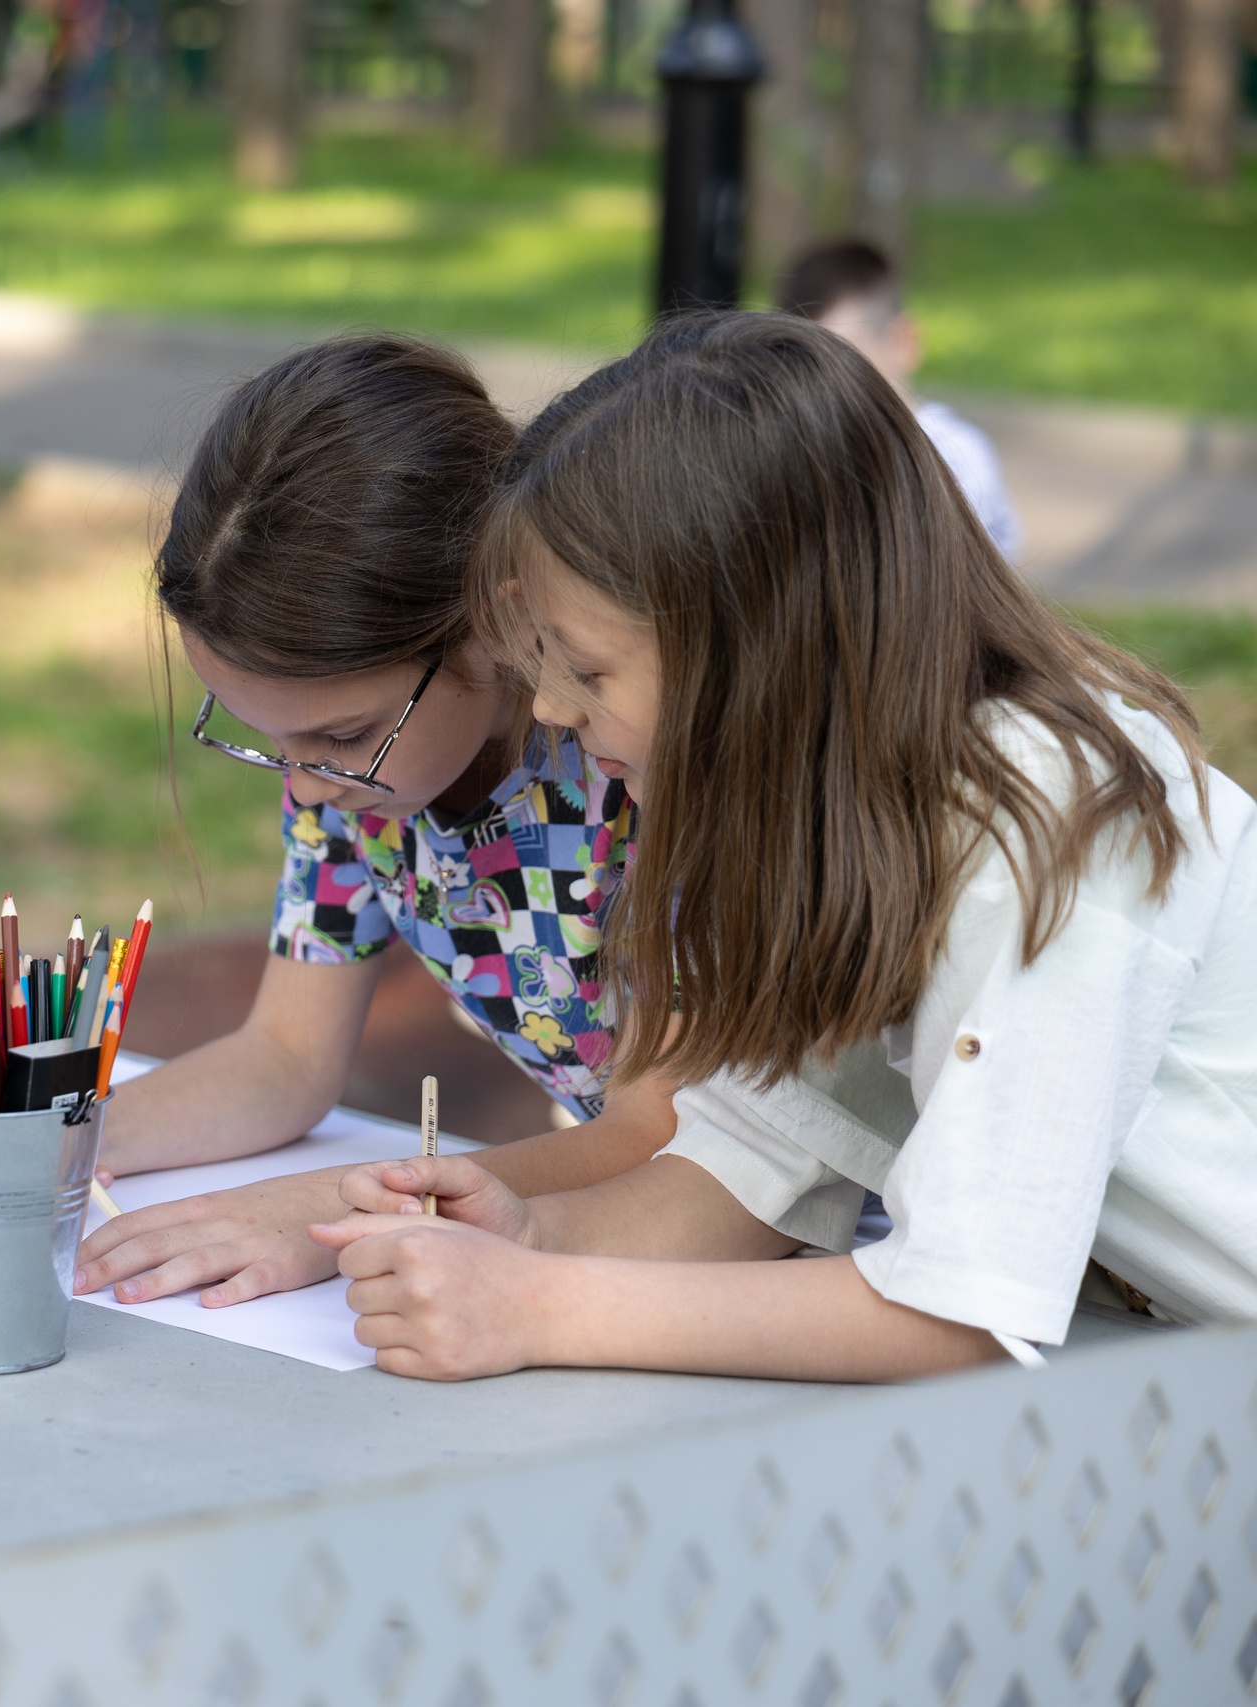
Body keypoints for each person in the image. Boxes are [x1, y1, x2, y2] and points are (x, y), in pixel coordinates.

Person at [319, 312, 1257, 1382]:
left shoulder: (1045, 814)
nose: (549, 709)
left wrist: (539, 1307)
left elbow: (961, 1316)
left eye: (587, 668)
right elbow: (753, 1165)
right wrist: (529, 1237)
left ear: (756, 645)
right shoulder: (830, 811)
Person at [73, 335, 676, 1313]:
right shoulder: (356, 788)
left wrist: (328, 1211)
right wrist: (56, 1137)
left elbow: (662, 1135)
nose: (306, 789)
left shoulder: (632, 761)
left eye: (341, 735)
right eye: (268, 740)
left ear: (490, 619)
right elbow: (284, 1055)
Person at [778, 237, 1023, 562]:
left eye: (844, 362)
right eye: (800, 362)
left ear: (902, 342)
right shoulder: (801, 448)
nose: (821, 385)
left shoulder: (955, 458)